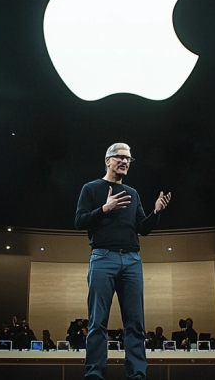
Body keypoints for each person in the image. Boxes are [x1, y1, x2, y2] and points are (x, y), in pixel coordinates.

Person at [74, 142, 171, 380]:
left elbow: (142, 229)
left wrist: (156, 212)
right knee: (97, 323)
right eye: (120, 157)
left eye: (129, 159)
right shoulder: (91, 188)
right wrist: (104, 208)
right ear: (108, 160)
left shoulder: (133, 193)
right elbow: (79, 221)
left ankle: (137, 375)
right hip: (102, 258)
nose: (126, 161)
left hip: (131, 261)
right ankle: (94, 374)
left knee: (135, 323)